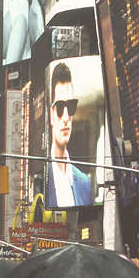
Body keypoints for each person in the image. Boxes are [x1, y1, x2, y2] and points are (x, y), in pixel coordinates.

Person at [46, 62, 93, 209]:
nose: (66, 117)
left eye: (71, 107)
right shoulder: (41, 179)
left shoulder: (84, 183)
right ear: (51, 114)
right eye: (60, 107)